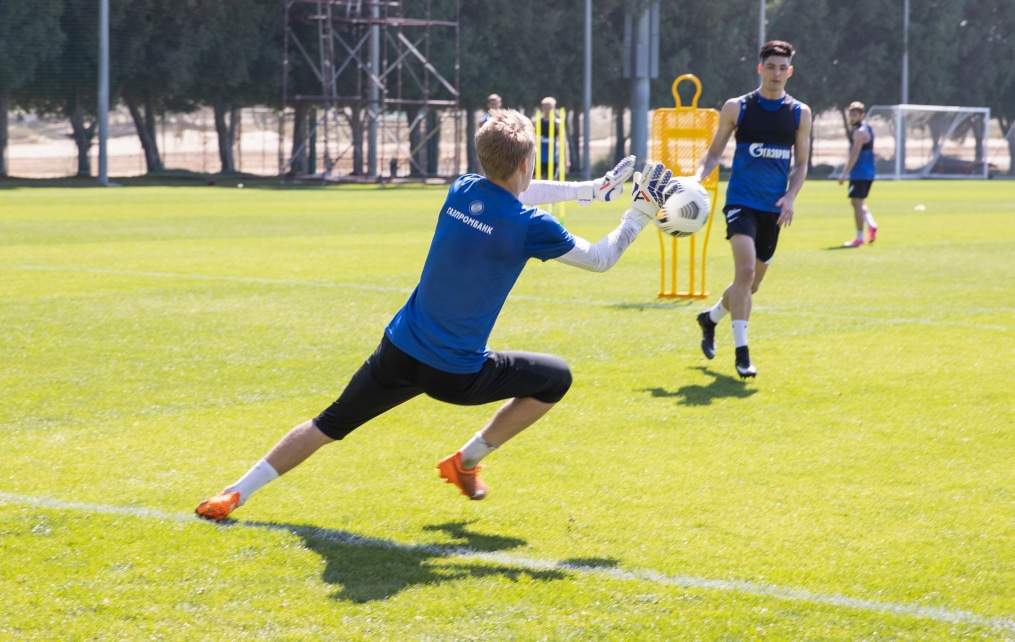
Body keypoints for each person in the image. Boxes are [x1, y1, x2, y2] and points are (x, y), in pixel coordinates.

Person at [195, 108, 676, 520]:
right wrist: (638, 212)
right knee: (555, 378)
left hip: (398, 350)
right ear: (529, 161)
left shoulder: (462, 188)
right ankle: (466, 460)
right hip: (454, 374)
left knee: (328, 424)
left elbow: (514, 191)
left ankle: (233, 492)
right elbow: (599, 259)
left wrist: (593, 191)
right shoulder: (530, 226)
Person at [693, 40, 812, 379]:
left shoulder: (799, 113)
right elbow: (714, 153)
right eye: (770, 66)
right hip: (741, 201)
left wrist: (790, 197)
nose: (776, 73)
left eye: (782, 68)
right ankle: (742, 355)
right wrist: (697, 178)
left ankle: (710, 318)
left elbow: (802, 164)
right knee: (744, 272)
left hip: (772, 209)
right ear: (761, 68)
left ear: (790, 71)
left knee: (750, 285)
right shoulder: (737, 107)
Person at [838, 101, 878, 247]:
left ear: (862, 115)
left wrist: (844, 174)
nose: (852, 118)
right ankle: (871, 224)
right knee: (857, 203)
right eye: (851, 115)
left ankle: (860, 238)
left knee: (857, 203)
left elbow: (854, 154)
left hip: (860, 173)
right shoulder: (868, 129)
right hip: (868, 173)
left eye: (855, 115)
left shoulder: (859, 132)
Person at [535, 97, 562, 179]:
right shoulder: (536, 122)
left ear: (554, 108)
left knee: (552, 180)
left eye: (550, 108)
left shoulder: (557, 123)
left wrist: (566, 160)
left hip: (552, 157)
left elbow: (563, 142)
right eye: (545, 107)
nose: (547, 110)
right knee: (537, 180)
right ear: (542, 108)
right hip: (539, 157)